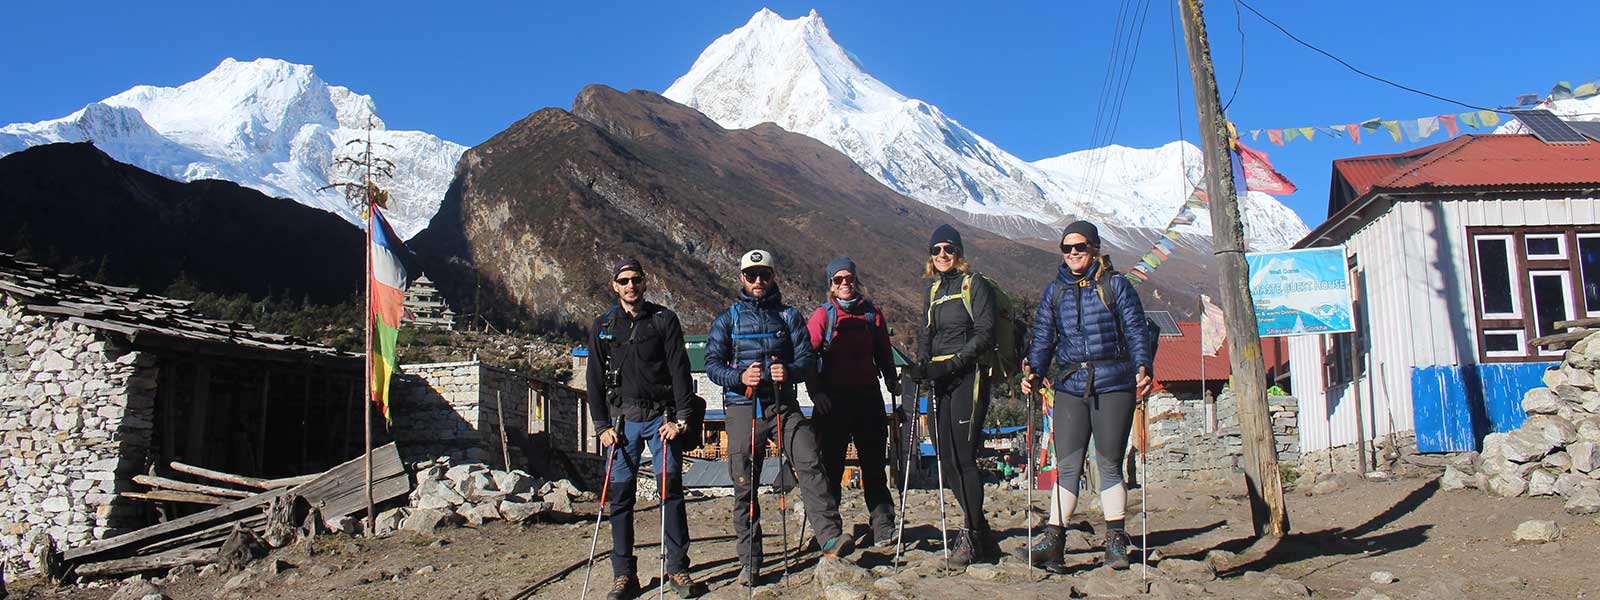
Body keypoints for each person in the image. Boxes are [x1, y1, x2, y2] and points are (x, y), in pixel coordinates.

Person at [704, 249, 854, 587]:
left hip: (783, 404)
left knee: (809, 461)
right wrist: (739, 377)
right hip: (743, 407)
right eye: (752, 275)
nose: (758, 281)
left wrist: (786, 370)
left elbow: (808, 360)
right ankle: (750, 562)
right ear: (741, 277)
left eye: (765, 275)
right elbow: (712, 363)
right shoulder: (727, 319)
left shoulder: (789, 317)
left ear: (774, 277)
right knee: (745, 483)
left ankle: (830, 537)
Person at [1020, 220, 1154, 571]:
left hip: (1114, 382)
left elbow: (1136, 328)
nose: (1074, 253)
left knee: (1109, 463)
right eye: (1067, 248)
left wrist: (1143, 366)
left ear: (1094, 248)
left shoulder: (1117, 285)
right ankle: (1054, 540)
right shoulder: (1055, 291)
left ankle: (1115, 540)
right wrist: (1033, 370)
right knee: (1066, 465)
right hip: (1069, 384)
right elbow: (1043, 336)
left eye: (1080, 246)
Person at [585, 258, 700, 600]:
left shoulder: (664, 320)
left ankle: (678, 569)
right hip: (620, 425)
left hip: (661, 421)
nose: (631, 285)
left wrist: (681, 420)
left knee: (671, 491)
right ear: (615, 286)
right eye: (624, 280)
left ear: (645, 283)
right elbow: (593, 380)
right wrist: (601, 425)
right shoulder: (602, 325)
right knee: (620, 498)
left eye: (636, 279)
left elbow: (680, 372)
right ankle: (624, 575)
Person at [904, 224, 1002, 567]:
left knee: (963, 457)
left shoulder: (973, 284)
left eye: (949, 249)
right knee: (945, 461)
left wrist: (957, 362)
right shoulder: (933, 291)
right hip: (941, 379)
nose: (942, 255)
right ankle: (982, 533)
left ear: (959, 253)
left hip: (968, 377)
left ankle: (971, 534)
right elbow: (927, 332)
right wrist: (922, 363)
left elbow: (985, 331)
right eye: (936, 250)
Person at [805, 256, 901, 547]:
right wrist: (816, 393)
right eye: (838, 280)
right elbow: (808, 357)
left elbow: (884, 352)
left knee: (873, 466)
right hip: (832, 403)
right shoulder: (823, 315)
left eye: (849, 279)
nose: (845, 284)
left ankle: (883, 525)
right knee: (830, 468)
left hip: (868, 399)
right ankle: (830, 532)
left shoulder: (873, 315)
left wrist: (891, 380)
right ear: (831, 285)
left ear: (856, 281)